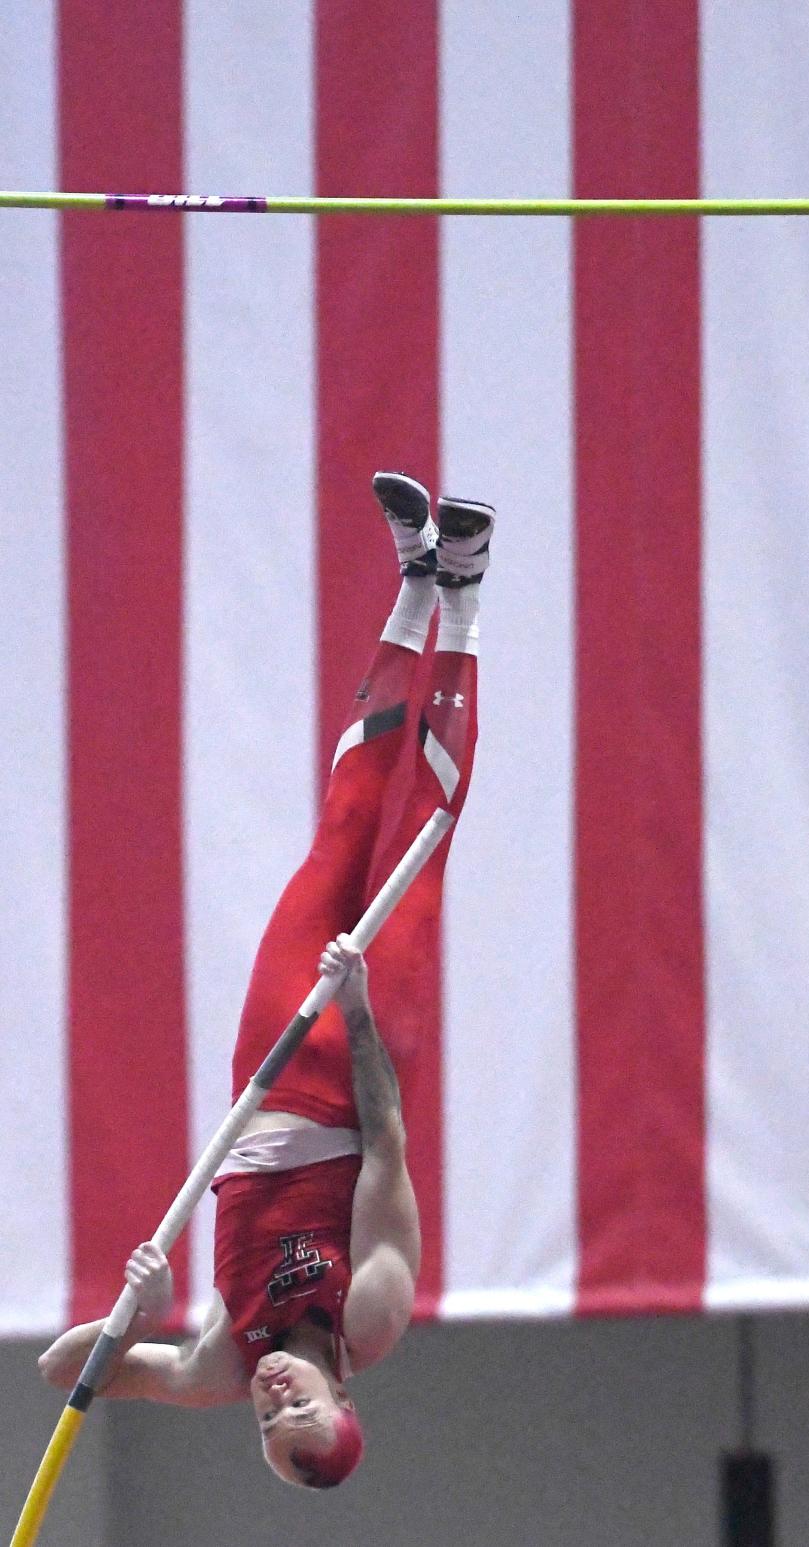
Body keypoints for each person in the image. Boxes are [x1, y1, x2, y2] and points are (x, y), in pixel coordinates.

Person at [39, 472, 494, 1489]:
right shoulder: (370, 1313)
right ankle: (458, 595)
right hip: (354, 1073)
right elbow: (387, 1145)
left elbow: (60, 1368)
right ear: (343, 1398)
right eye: (302, 1407)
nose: (274, 1397)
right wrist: (362, 1005)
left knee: (335, 833)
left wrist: (135, 1317)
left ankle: (418, 582)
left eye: (269, 1423)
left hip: (266, 1074)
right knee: (416, 839)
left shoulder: (214, 1362)